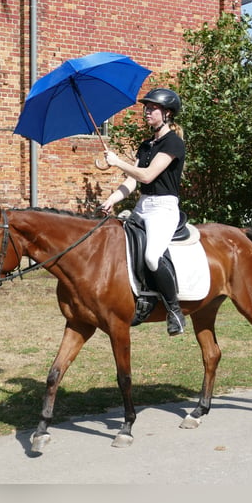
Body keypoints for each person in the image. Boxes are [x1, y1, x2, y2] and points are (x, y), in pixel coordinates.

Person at [99, 88, 187, 336]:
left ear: (167, 113)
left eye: (152, 108)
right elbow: (132, 181)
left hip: (164, 208)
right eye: (146, 108)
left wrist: (117, 161)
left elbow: (148, 175)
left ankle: (174, 311)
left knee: (151, 256)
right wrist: (112, 199)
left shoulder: (173, 143)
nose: (147, 112)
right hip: (142, 205)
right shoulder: (146, 145)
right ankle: (139, 296)